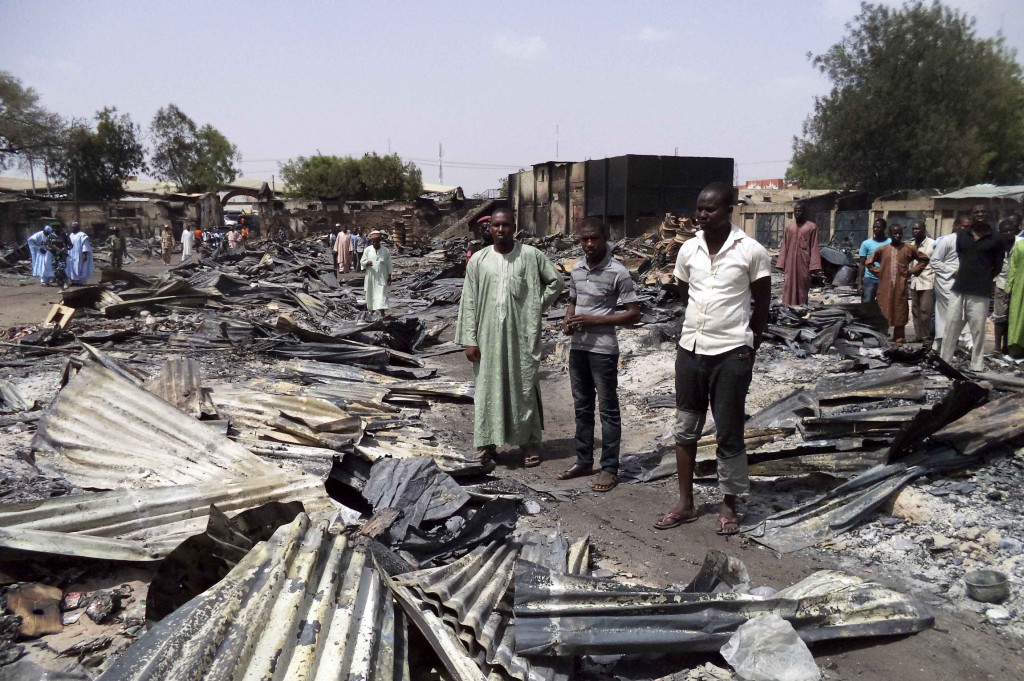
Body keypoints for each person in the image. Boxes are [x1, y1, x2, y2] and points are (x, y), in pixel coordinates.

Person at [655, 182, 770, 536]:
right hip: (690, 352)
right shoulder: (688, 250)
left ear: (729, 209)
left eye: (711, 209)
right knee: (685, 428)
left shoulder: (751, 251)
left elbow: (762, 305)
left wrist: (750, 348)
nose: (702, 215)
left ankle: (728, 505)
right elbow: (685, 291)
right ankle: (685, 503)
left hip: (731, 355)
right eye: (700, 208)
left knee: (729, 431)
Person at [455, 206, 563, 469]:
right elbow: (468, 301)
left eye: (506, 225)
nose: (500, 229)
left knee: (523, 388)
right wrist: (470, 339)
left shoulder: (530, 256)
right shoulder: (479, 261)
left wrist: (535, 306)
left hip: (521, 336)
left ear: (514, 228)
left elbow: (556, 282)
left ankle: (528, 444)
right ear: (489, 229)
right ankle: (487, 445)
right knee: (487, 389)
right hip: (487, 337)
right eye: (496, 225)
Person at [555, 217, 641, 493]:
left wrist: (594, 320)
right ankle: (583, 461)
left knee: (608, 410)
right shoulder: (577, 268)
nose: (589, 244)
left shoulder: (619, 272)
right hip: (578, 348)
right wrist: (568, 320)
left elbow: (634, 313)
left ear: (605, 237)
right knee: (582, 408)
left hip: (603, 350)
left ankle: (609, 468)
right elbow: (572, 300)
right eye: (584, 239)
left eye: (594, 238)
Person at [940, 204, 1005, 372]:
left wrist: (983, 279)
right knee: (951, 328)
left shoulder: (996, 238)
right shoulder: (962, 235)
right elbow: (962, 257)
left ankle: (976, 365)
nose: (980, 214)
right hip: (959, 288)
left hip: (980, 291)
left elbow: (997, 266)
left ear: (988, 214)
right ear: (971, 215)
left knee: (977, 331)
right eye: (976, 212)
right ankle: (944, 363)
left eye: (983, 211)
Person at [866, 223, 929, 344]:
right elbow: (870, 262)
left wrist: (911, 271)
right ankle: (882, 336)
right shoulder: (882, 249)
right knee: (883, 308)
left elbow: (923, 259)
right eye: (894, 233)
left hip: (901, 285)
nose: (897, 235)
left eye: (900, 233)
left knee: (900, 308)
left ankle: (899, 336)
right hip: (884, 286)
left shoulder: (908, 248)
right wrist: (881, 272)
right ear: (889, 234)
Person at [931, 214, 971, 354]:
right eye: (965, 226)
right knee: (957, 311)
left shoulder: (970, 241)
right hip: (946, 282)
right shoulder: (947, 240)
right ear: (956, 226)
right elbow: (934, 261)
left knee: (947, 314)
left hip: (964, 282)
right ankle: (969, 341)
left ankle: (938, 345)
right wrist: (952, 271)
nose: (968, 229)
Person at [775, 201, 821, 306]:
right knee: (788, 285)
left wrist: (814, 265)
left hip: (804, 263)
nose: (797, 213)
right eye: (795, 211)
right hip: (790, 263)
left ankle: (801, 308)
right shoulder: (789, 227)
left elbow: (814, 246)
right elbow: (785, 245)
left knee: (802, 286)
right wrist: (781, 262)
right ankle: (787, 307)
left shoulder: (811, 227)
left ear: (804, 212)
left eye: (799, 211)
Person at [991, 219, 1018, 355]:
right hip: (1001, 283)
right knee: (999, 317)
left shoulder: (1020, 243)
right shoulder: (997, 244)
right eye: (1004, 231)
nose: (1008, 233)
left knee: (1013, 317)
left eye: (1010, 230)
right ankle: (997, 347)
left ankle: (1008, 346)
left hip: (1018, 286)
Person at [908, 221, 936, 348]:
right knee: (916, 311)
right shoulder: (911, 245)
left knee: (926, 311)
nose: (915, 231)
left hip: (928, 281)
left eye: (917, 229)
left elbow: (936, 263)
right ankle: (918, 336)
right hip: (914, 282)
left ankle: (927, 337)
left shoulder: (932, 244)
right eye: (913, 229)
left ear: (924, 230)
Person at [857, 218, 891, 303]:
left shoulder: (891, 242)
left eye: (878, 227)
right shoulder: (866, 244)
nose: (875, 229)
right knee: (867, 305)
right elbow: (861, 264)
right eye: (874, 227)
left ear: (884, 228)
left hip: (886, 280)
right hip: (869, 280)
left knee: (885, 306)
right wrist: (860, 283)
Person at [361, 230, 393, 318]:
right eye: (373, 242)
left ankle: (382, 312)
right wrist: (366, 263)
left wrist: (389, 276)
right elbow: (362, 261)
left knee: (382, 293)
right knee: (371, 293)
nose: (375, 243)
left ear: (380, 241)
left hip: (382, 275)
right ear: (371, 242)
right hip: (371, 276)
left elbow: (389, 264)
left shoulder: (385, 251)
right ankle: (371, 311)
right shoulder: (367, 250)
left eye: (376, 242)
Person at [1005, 232, 1024, 357]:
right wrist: (1008, 288)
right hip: (1020, 287)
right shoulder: (1020, 245)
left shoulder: (1020, 245)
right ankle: (1015, 348)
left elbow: (1013, 267)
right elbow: (1013, 268)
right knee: (1017, 316)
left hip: (1019, 287)